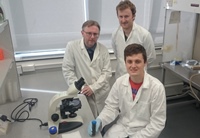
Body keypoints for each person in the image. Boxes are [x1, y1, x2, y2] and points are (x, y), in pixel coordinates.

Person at [88, 43, 166, 138]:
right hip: (121, 129)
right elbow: (111, 107)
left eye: (137, 61)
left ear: (145, 63)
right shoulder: (120, 82)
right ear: (125, 63)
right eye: (129, 61)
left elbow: (157, 123)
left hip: (144, 132)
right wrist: (100, 120)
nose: (133, 66)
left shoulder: (156, 87)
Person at [62, 20, 112, 118]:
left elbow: (107, 73)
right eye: (89, 33)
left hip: (101, 93)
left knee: (103, 121)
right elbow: (68, 70)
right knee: (87, 121)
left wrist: (93, 87)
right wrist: (80, 88)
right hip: (83, 94)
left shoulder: (103, 49)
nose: (92, 37)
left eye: (95, 34)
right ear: (82, 33)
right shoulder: (72, 47)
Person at [112, 0, 156, 79]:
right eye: (121, 16)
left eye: (126, 16)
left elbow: (151, 57)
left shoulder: (144, 35)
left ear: (133, 16)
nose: (123, 20)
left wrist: (137, 68)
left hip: (139, 78)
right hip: (121, 77)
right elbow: (117, 55)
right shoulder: (115, 34)